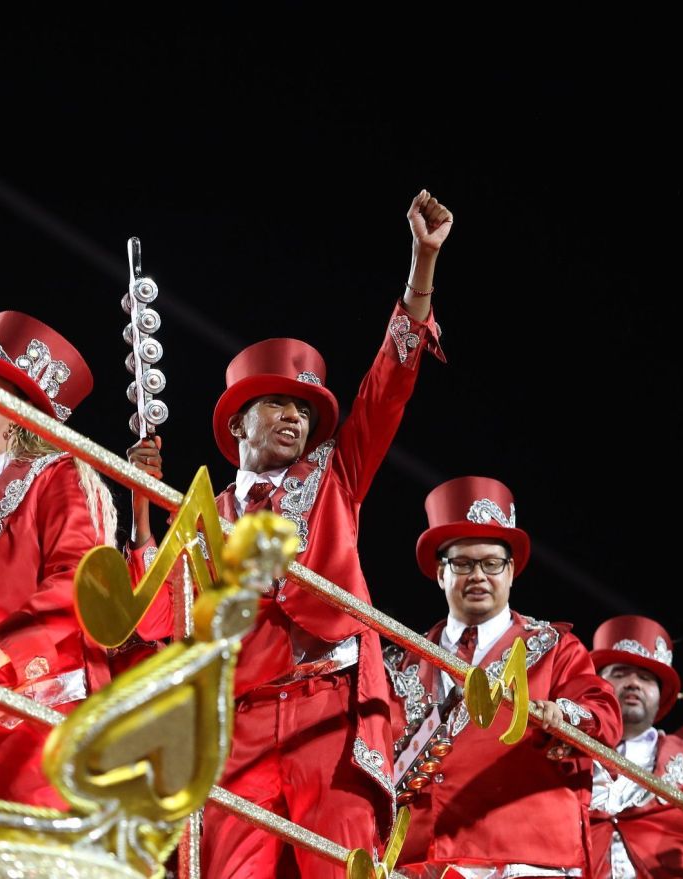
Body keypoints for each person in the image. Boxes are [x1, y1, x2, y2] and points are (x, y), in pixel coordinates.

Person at [127, 190, 452, 878]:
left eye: (304, 410)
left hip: (328, 714)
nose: (294, 418)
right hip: (240, 723)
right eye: (276, 403)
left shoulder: (335, 475)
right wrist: (142, 512)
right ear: (237, 423)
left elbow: (387, 388)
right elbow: (156, 621)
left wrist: (420, 266)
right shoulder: (203, 513)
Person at [0, 311, 167, 807]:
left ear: (19, 414)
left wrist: (8, 647)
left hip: (34, 721)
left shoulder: (59, 475)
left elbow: (79, 579)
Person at [385, 476, 622, 878]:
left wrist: (564, 717)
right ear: (441, 573)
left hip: (523, 858)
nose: (478, 576)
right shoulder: (399, 661)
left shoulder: (555, 648)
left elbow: (604, 715)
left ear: (510, 571)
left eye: (491, 563)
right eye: (462, 564)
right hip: (418, 861)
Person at [587, 615, 683, 879]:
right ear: (595, 684)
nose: (633, 683)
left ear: (661, 696)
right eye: (620, 673)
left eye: (645, 678)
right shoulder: (561, 746)